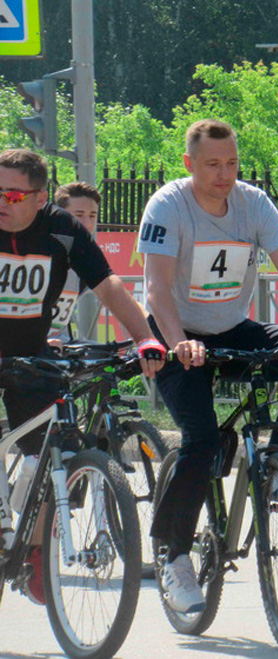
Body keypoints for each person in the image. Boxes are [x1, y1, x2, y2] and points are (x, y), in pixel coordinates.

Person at [139, 119, 278, 614]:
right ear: (189, 164)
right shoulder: (168, 205)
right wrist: (179, 343)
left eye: (231, 163)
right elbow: (156, 289)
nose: (224, 173)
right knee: (203, 440)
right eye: (212, 164)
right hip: (175, 335)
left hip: (232, 329)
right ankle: (175, 555)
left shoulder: (253, 202)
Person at [0, 149, 166, 606]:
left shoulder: (63, 230)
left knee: (59, 449)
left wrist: (146, 339)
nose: (2, 201)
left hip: (31, 351)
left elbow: (108, 285)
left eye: (11, 194)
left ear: (37, 198)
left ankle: (34, 551)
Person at [47, 182, 102, 344]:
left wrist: (147, 336)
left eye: (92, 215)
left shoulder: (86, 258)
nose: (87, 223)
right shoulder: (38, 251)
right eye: (79, 215)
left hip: (61, 351)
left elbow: (117, 296)